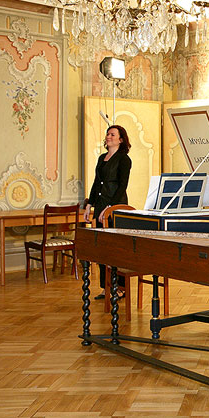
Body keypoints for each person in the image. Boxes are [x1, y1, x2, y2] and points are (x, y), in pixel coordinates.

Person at [83, 124, 132, 299]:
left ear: (120, 139)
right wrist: (89, 204)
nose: (108, 136)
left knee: (115, 249)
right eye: (107, 134)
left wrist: (109, 207)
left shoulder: (124, 159)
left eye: (112, 134)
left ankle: (119, 289)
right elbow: (97, 183)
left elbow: (122, 186)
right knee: (101, 248)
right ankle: (106, 287)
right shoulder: (102, 158)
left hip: (116, 207)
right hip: (101, 205)